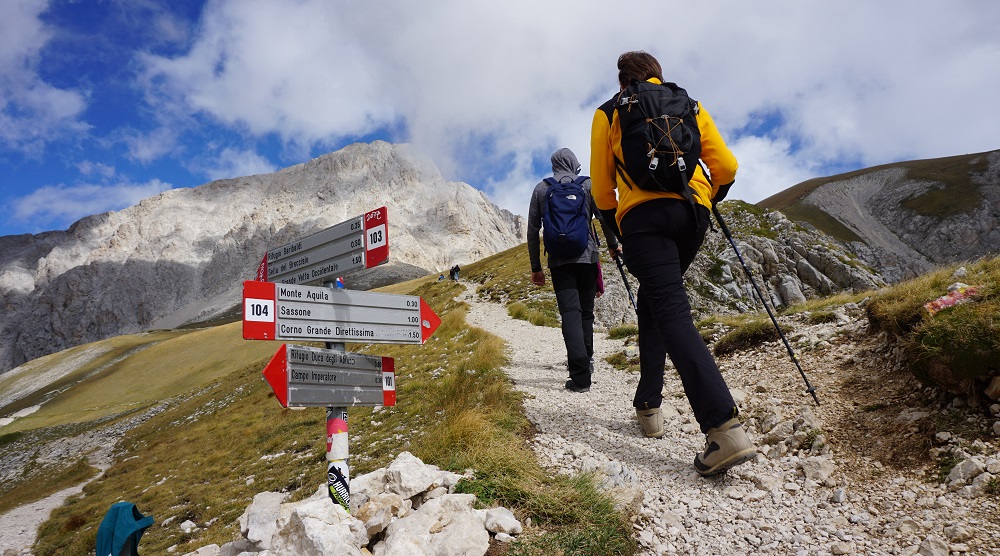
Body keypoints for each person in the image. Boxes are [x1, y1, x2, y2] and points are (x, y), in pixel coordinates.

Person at [589, 51, 756, 476]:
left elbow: (602, 192)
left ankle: (723, 427)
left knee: (671, 311)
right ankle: (649, 406)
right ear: (658, 75)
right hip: (692, 213)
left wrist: (620, 225)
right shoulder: (689, 104)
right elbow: (728, 166)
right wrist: (707, 197)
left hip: (644, 221)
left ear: (622, 80)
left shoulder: (609, 112)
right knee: (656, 301)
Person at [527, 148, 620, 393]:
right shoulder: (587, 185)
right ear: (573, 163)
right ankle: (587, 361)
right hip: (587, 258)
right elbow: (603, 217)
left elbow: (532, 231)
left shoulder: (541, 189)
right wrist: (613, 245)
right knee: (586, 314)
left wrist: (536, 267)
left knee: (570, 313)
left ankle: (579, 378)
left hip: (559, 261)